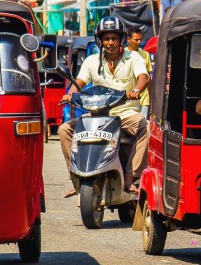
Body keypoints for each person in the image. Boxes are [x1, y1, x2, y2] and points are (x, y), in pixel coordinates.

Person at [58, 17, 150, 198]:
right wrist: (70, 93)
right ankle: (76, 177)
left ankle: (131, 176)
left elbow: (143, 77)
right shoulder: (92, 61)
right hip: (97, 114)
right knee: (64, 130)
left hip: (125, 113)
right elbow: (79, 81)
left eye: (114, 39)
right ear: (100, 41)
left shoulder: (134, 58)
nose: (110, 43)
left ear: (121, 39)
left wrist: (136, 90)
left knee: (146, 128)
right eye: (106, 39)